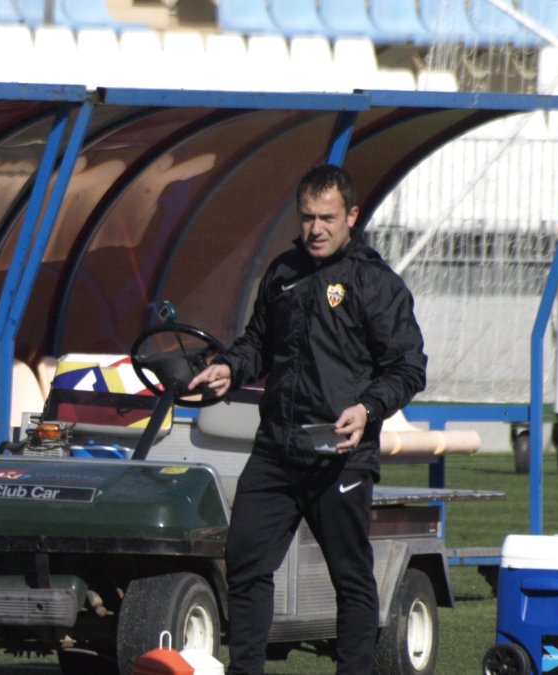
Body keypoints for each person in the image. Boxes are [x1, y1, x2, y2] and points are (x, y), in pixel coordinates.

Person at [187, 165, 427, 674]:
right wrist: (230, 368)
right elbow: (258, 344)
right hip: (277, 449)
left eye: (327, 218)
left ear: (352, 216)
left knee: (350, 578)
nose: (316, 228)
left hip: (339, 456)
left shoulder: (375, 284)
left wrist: (367, 408)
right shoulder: (282, 273)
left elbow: (408, 366)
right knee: (246, 565)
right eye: (307, 217)